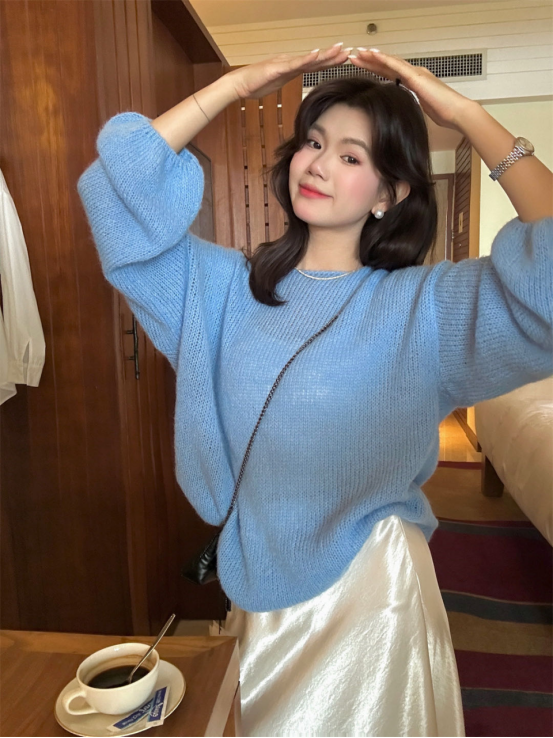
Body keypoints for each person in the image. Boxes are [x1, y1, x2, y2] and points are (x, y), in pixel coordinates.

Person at [77, 43, 553, 738]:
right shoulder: (221, 291)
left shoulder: (427, 308)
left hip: (371, 600)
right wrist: (234, 85)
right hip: (256, 582)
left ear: (389, 195)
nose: (319, 164)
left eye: (351, 156)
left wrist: (466, 116)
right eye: (313, 142)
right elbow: (113, 191)